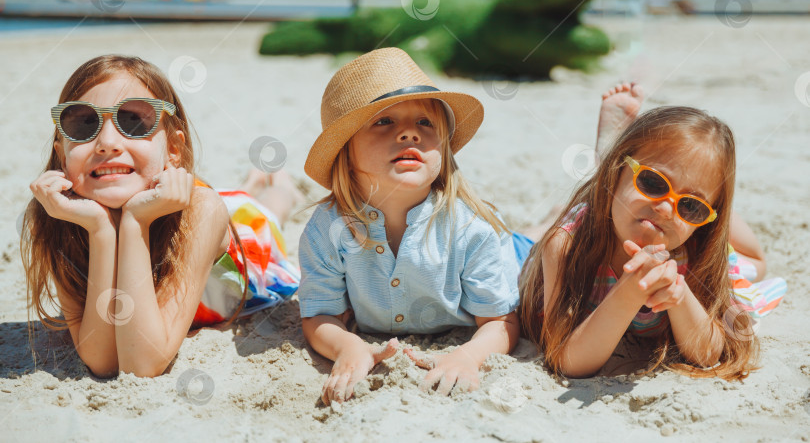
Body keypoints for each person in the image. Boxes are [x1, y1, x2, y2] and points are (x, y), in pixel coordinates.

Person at [22, 55, 302, 378]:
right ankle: (251, 183)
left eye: (134, 121)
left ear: (173, 150)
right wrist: (101, 231)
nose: (107, 143)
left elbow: (141, 364)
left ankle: (279, 184)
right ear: (62, 153)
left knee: (270, 208)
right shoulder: (57, 217)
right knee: (243, 196)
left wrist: (135, 222)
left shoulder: (202, 211)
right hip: (176, 196)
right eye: (84, 123)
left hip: (244, 235)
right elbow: (102, 360)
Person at [297, 48, 531, 405]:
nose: (409, 133)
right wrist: (349, 347)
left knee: (548, 241)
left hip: (515, 255)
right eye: (384, 121)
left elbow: (501, 321)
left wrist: (468, 356)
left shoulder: (471, 230)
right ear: (346, 150)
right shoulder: (326, 229)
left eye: (425, 123)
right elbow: (320, 314)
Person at [519, 93, 786, 380]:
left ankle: (705, 203)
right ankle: (601, 173)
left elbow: (708, 354)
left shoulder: (697, 252)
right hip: (594, 220)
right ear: (618, 170)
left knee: (756, 265)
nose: (666, 208)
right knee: (529, 238)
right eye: (652, 182)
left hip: (677, 231)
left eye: (691, 206)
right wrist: (629, 291)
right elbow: (568, 361)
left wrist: (680, 294)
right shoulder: (565, 246)